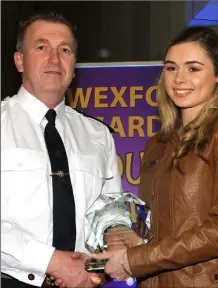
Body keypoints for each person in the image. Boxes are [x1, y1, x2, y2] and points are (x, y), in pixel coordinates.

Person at [93, 26, 218, 287]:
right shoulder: (157, 143)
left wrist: (135, 260)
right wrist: (133, 242)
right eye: (171, 68)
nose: (179, 78)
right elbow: (156, 229)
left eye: (193, 68)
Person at [1, 11, 139, 288]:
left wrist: (114, 235)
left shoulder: (98, 134)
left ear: (74, 64)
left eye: (65, 50)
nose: (54, 59)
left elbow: (109, 209)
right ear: (19, 60)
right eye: (42, 47)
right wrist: (52, 261)